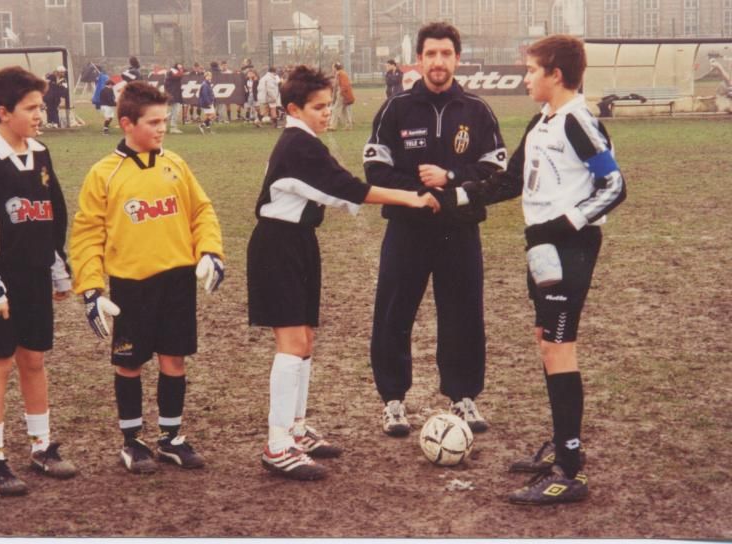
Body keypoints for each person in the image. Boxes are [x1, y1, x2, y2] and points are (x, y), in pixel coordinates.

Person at [442, 34, 626, 505]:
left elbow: (614, 186)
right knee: (547, 342)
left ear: (555, 74)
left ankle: (570, 471)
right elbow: (510, 180)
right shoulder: (543, 120)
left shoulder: (578, 122)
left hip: (569, 248)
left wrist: (565, 224)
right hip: (541, 247)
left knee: (560, 348)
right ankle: (562, 448)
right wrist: (455, 196)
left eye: (530, 70)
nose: (525, 78)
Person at [247, 65, 440, 481]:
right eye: (318, 107)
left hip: (299, 242)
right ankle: (277, 444)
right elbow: (352, 189)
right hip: (277, 246)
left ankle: (296, 430)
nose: (326, 113)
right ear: (294, 109)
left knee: (305, 340)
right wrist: (413, 197)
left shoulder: (306, 141)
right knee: (291, 343)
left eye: (328, 105)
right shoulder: (298, 144)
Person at [69, 81, 224, 475]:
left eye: (164, 120)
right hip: (131, 286)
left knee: (174, 359)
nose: (162, 128)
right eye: (153, 122)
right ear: (127, 123)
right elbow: (87, 234)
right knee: (130, 362)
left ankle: (171, 438)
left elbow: (201, 211)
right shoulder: (104, 174)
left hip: (177, 281)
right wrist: (91, 289)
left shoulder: (175, 164)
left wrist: (210, 251)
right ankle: (132, 440)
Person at [362, 22, 508, 438]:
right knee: (394, 313)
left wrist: (450, 177)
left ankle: (463, 395)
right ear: (419, 59)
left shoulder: (476, 110)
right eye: (430, 54)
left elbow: (496, 169)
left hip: (459, 231)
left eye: (446, 54)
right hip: (406, 229)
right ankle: (393, 400)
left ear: (457, 59)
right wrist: (419, 193)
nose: (438, 62)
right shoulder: (396, 109)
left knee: (463, 314)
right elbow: (375, 168)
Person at [0, 66, 78, 496]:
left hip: (35, 277)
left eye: (41, 107)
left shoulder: (41, 154)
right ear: (3, 112)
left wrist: (58, 270)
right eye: (31, 108)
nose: (40, 114)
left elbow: (54, 216)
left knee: (34, 360)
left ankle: (41, 446)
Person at [328, 63, 354, 130]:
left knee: (335, 109)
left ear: (335, 68)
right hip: (345, 93)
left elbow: (341, 85)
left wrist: (340, 93)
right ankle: (348, 125)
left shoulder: (339, 73)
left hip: (342, 94)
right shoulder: (343, 73)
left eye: (333, 67)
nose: (332, 69)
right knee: (344, 110)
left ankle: (332, 126)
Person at [165, 62, 185, 134]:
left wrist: (182, 69)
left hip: (175, 94)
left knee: (175, 110)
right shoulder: (172, 72)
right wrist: (181, 69)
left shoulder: (172, 72)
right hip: (173, 94)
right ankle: (173, 127)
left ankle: (163, 119)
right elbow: (179, 75)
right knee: (176, 111)